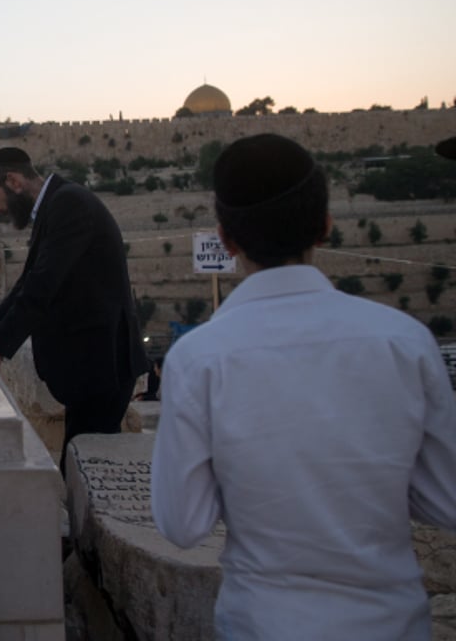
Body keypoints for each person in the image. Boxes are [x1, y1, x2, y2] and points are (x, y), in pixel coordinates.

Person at [151, 133, 456, 640]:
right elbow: (446, 499)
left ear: (226, 240)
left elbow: (183, 525)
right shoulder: (406, 342)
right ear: (325, 226)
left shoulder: (197, 359)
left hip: (263, 623)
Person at [0, 146, 145, 471]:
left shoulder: (69, 203)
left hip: (102, 365)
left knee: (85, 473)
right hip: (92, 368)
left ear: (13, 181)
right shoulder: (58, 203)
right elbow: (28, 281)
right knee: (82, 469)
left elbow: (43, 283)